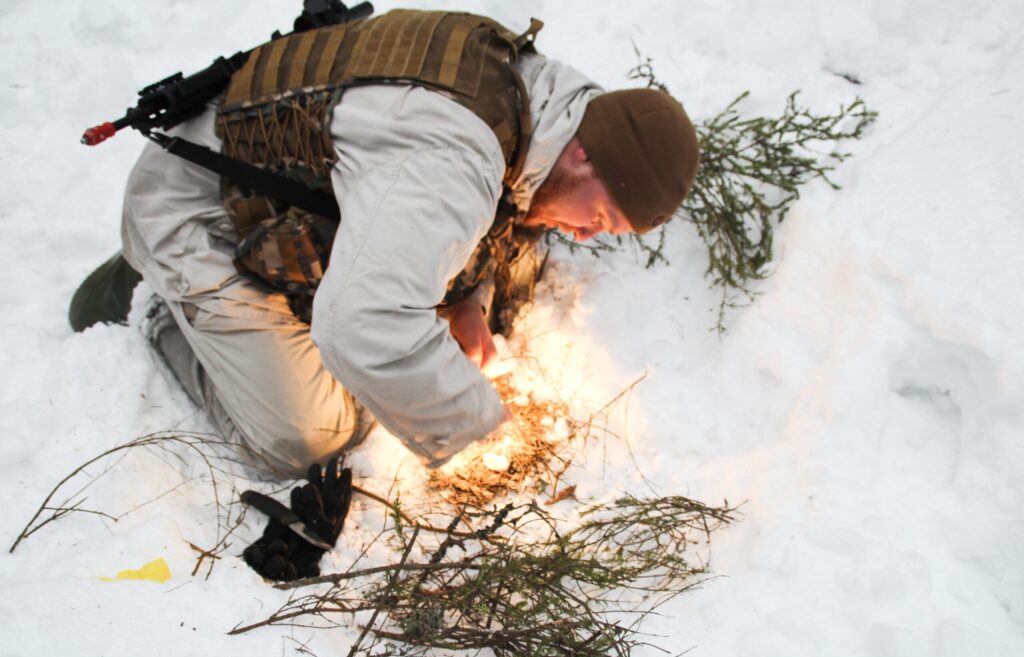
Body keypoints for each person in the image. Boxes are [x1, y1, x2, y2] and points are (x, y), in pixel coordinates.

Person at [69, 9, 700, 478]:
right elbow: (362, 327)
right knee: (312, 434)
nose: (587, 233)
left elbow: (495, 209)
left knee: (509, 271)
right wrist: (478, 430)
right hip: (196, 211)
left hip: (279, 186)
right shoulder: (454, 156)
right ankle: (158, 305)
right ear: (586, 157)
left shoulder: (555, 106)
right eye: (602, 218)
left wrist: (465, 300)